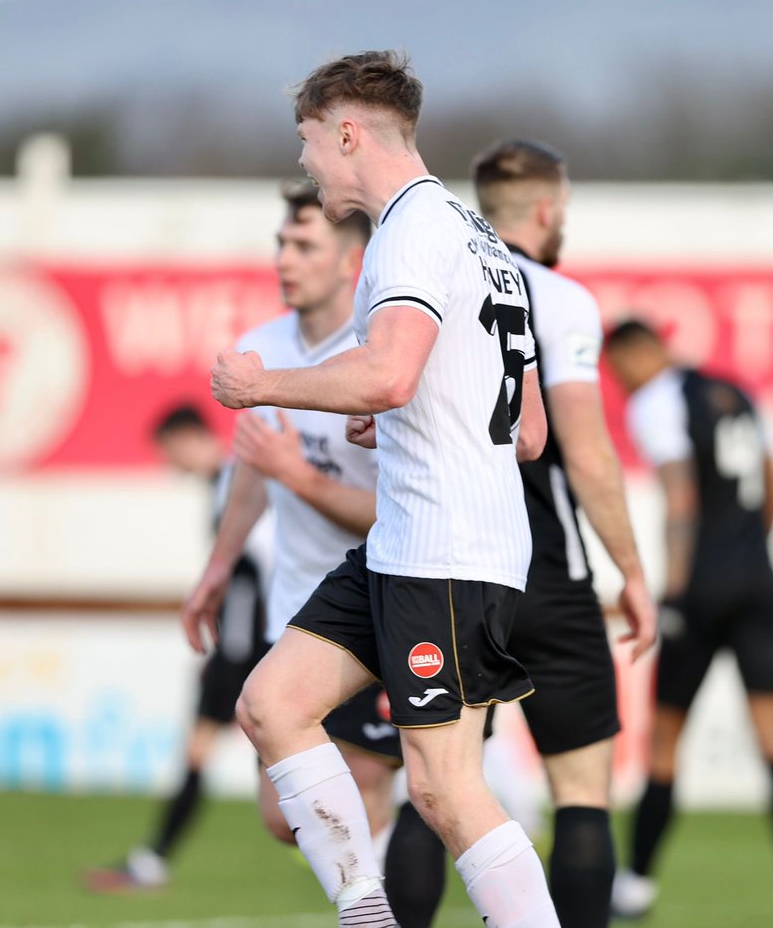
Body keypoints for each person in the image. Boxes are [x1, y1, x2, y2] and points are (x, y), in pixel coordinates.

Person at [185, 50, 560, 927]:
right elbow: (529, 428)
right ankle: (366, 913)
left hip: (445, 552)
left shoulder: (410, 230)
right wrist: (401, 411)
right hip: (410, 545)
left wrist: (260, 384)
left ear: (346, 131)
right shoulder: (480, 239)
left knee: (445, 791)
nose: (307, 162)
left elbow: (390, 374)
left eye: (308, 141)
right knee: (272, 705)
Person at [383, 139, 658, 928]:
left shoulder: (440, 274)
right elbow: (588, 450)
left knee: (435, 785)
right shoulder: (558, 297)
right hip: (550, 576)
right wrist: (632, 571)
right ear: (546, 210)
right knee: (580, 794)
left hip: (455, 565)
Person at [186, 177, 408, 860]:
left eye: (303, 245)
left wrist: (299, 476)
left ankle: (397, 870)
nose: (283, 258)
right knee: (286, 818)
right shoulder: (262, 347)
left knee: (364, 790)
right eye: (281, 243)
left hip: (380, 608)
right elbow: (253, 469)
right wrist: (219, 566)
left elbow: (394, 513)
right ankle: (428, 807)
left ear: (350, 261)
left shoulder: (383, 357)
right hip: (296, 609)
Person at [603, 318, 773, 925]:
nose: (619, 383)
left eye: (618, 368)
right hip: (758, 580)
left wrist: (673, 591)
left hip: (700, 590)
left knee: (666, 742)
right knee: (772, 734)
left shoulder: (659, 400)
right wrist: (750, 549)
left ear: (639, 353)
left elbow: (681, 497)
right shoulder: (738, 391)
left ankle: (638, 885)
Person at [84, 403, 274, 892]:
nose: (170, 463)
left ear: (188, 438)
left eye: (169, 451)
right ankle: (153, 859)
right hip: (252, 646)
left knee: (260, 766)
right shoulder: (228, 482)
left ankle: (154, 861)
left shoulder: (236, 482)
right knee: (259, 763)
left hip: (251, 649)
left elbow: (254, 577)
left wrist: (232, 657)